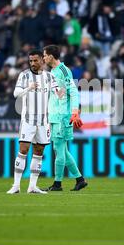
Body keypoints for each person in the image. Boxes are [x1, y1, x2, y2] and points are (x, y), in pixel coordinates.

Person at [7, 49, 59, 194]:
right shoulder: (24, 75)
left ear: (42, 60)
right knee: (23, 150)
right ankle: (16, 185)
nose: (33, 63)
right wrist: (28, 88)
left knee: (39, 151)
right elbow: (16, 93)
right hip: (28, 120)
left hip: (44, 121)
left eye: (35, 60)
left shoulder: (49, 77)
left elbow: (58, 92)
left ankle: (32, 186)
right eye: (30, 61)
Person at [42, 45, 88, 191]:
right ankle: (80, 179)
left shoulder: (63, 70)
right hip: (55, 116)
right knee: (62, 150)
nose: (43, 58)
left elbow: (73, 92)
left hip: (62, 116)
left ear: (50, 56)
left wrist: (75, 112)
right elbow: (58, 94)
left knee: (59, 149)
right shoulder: (53, 71)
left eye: (44, 55)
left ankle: (57, 184)